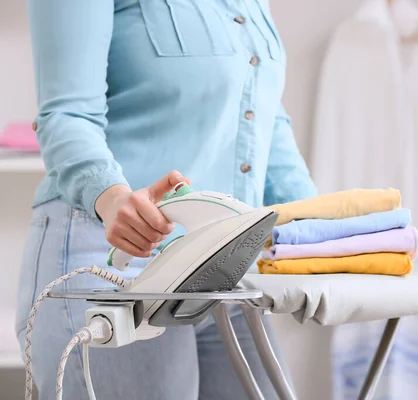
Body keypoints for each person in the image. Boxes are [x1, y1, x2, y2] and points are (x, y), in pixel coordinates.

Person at [15, 1, 317, 399]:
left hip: (220, 264)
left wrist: (325, 231)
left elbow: (265, 123)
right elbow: (66, 114)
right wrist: (111, 196)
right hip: (114, 254)